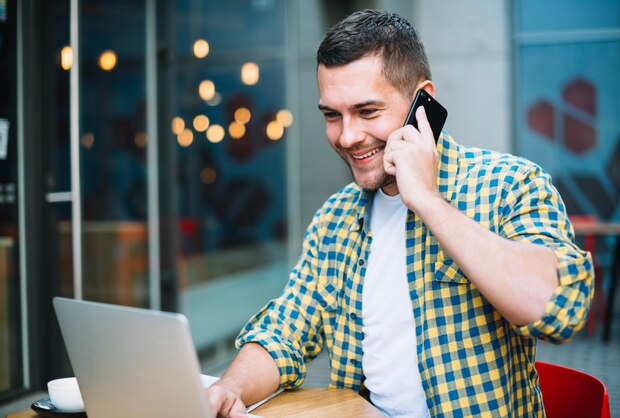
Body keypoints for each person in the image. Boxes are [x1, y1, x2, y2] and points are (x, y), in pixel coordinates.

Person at [206, 9, 594, 418]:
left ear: (422, 101)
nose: (348, 136)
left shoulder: (510, 184)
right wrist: (229, 389)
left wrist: (426, 199)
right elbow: (287, 326)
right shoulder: (335, 218)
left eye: (367, 111)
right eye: (332, 115)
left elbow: (557, 310)